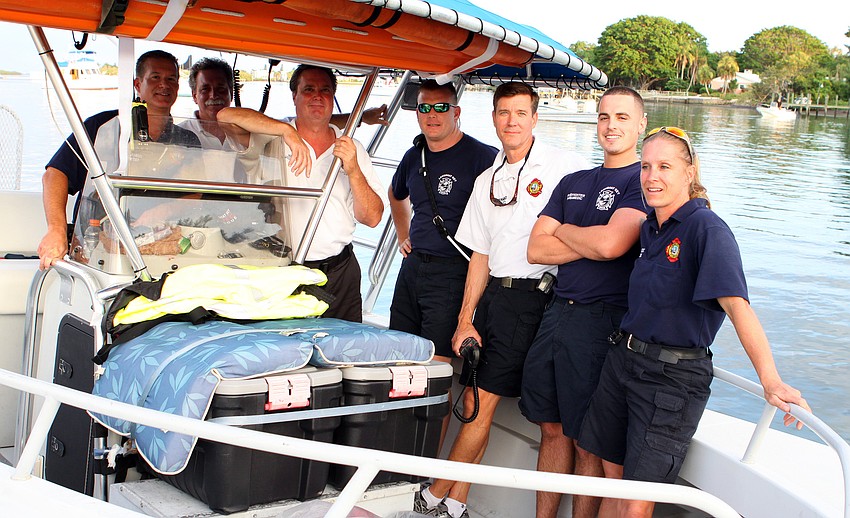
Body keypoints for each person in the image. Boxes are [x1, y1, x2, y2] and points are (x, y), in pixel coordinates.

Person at [578, 126, 810, 517]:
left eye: (664, 166)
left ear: (689, 173)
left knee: (638, 499)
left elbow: (738, 308)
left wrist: (771, 381)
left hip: (671, 380)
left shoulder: (707, 230)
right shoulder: (650, 227)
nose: (652, 177)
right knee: (609, 475)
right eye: (646, 167)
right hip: (624, 362)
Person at [414, 82, 591, 518]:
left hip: (533, 300)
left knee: (478, 404)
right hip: (493, 296)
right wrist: (464, 320)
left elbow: (597, 224)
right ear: (492, 118)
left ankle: (432, 495)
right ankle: (457, 501)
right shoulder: (486, 180)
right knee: (475, 400)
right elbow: (479, 254)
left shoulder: (565, 167)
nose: (511, 121)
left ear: (535, 118)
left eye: (520, 113)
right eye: (503, 113)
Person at [520, 86, 648, 518]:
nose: (611, 126)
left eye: (622, 118)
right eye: (604, 117)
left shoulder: (641, 182)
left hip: (601, 324)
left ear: (640, 125)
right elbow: (535, 250)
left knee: (587, 439)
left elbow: (613, 245)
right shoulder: (574, 181)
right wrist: (589, 241)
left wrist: (566, 232)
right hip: (556, 315)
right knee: (551, 428)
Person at [216, 64, 386, 322]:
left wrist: (352, 170)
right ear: (294, 96)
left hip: (340, 272)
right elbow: (225, 116)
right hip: (283, 270)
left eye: (325, 90)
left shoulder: (354, 148)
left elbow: (372, 218)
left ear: (332, 99)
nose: (317, 96)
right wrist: (287, 132)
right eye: (308, 89)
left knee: (342, 351)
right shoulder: (270, 140)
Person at [387, 79, 497, 449]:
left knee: (436, 372)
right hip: (413, 268)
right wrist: (404, 232)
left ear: (456, 112)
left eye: (440, 108)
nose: (431, 116)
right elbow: (396, 193)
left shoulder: (482, 157)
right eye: (424, 108)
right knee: (400, 361)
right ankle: (398, 453)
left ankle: (425, 463)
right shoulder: (412, 155)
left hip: (454, 273)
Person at [36, 50, 202, 270]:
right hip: (97, 248)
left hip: (161, 248)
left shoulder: (187, 140)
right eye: (155, 77)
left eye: (171, 79)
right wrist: (55, 229)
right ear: (137, 83)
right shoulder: (101, 127)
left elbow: (197, 194)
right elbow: (55, 174)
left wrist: (165, 210)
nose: (164, 85)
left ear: (178, 88)